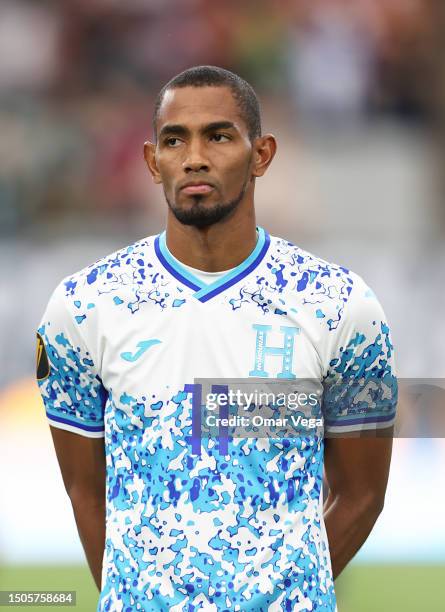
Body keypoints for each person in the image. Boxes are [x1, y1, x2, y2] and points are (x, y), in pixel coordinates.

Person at [35, 65, 397, 612]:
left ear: (263, 154)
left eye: (219, 136)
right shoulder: (84, 306)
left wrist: (282, 592)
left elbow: (364, 493)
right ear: (151, 162)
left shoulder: (341, 304)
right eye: (174, 139)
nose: (194, 157)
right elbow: (85, 493)